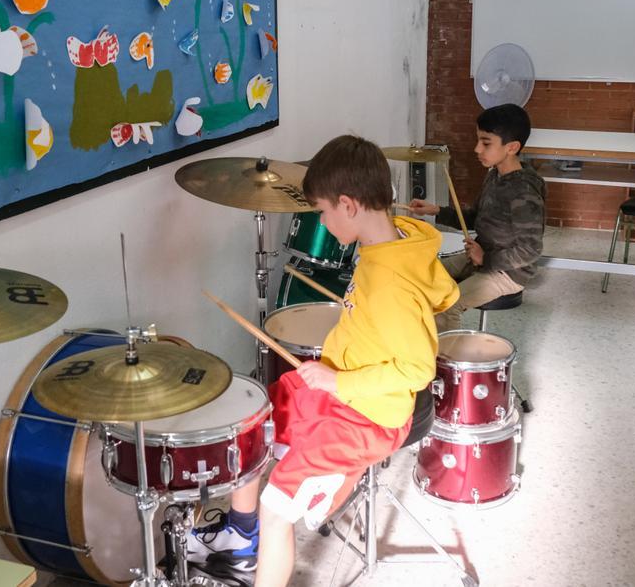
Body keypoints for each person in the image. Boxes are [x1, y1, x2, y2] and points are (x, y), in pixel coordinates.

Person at [187, 135, 458, 586]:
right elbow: (446, 291)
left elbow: (417, 370)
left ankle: (270, 524)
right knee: (250, 417)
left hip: (367, 416)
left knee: (277, 509)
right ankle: (238, 535)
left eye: (324, 212)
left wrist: (337, 384)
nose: (324, 222)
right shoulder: (398, 244)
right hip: (347, 386)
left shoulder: (391, 281)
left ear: (349, 205)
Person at [409, 103, 546, 332]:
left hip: (507, 272)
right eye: (478, 141)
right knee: (423, 275)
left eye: (485, 143)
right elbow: (475, 218)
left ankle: (446, 361)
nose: (477, 149)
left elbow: (531, 250)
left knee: (447, 306)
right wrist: (436, 211)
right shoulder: (494, 175)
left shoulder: (524, 192)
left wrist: (486, 259)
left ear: (511, 147)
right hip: (480, 255)